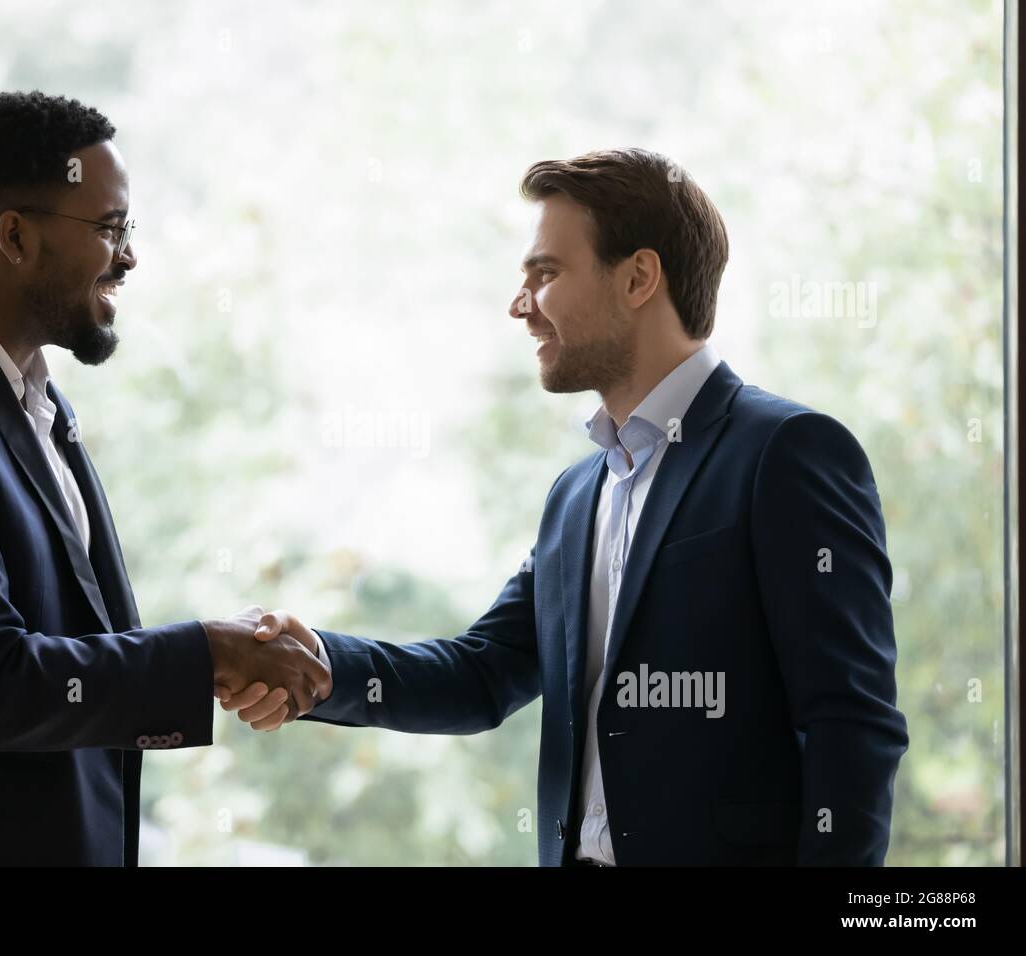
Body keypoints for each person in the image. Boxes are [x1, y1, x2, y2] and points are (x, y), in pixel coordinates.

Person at [225, 148, 909, 866]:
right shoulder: (576, 495)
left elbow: (851, 723)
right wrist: (324, 665)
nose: (520, 306)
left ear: (639, 277)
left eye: (545, 274)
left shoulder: (788, 452)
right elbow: (483, 673)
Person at [0, 91, 329, 866]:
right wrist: (208, 654)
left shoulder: (33, 399)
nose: (128, 256)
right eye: (110, 229)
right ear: (14, 236)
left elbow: (79, 652)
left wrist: (221, 649)